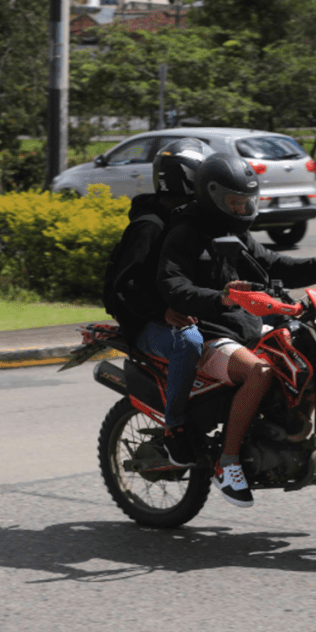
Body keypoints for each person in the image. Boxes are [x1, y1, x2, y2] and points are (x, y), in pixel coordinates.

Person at [157, 152, 316, 507]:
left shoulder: (237, 234)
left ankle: (287, 433)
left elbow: (275, 264)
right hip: (208, 332)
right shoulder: (185, 233)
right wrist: (221, 298)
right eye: (233, 202)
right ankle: (228, 461)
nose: (240, 209)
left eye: (245, 201)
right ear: (213, 196)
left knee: (308, 353)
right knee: (260, 373)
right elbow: (173, 285)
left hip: (246, 327)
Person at [107, 138, 215, 465]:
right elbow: (122, 287)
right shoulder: (149, 226)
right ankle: (175, 429)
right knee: (189, 342)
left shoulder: (190, 222)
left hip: (184, 314)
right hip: (146, 326)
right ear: (186, 179)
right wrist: (162, 311)